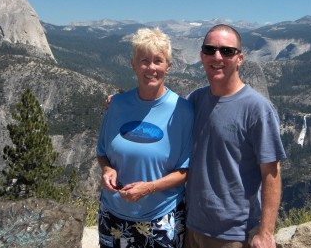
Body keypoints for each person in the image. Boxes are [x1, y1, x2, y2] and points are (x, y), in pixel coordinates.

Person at [184, 24, 286, 248]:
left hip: (232, 236)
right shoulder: (195, 99)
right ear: (202, 56)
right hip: (192, 227)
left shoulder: (258, 109)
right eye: (210, 50)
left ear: (240, 58)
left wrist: (265, 232)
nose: (217, 56)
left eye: (227, 51)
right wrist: (123, 102)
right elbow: (160, 111)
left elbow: (272, 172)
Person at [96, 27, 194, 248]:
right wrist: (107, 170)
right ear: (133, 64)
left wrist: (150, 187)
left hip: (161, 220)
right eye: (144, 61)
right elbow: (102, 153)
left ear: (168, 66)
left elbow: (186, 170)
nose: (151, 68)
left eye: (158, 61)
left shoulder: (183, 111)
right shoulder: (117, 105)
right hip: (112, 216)